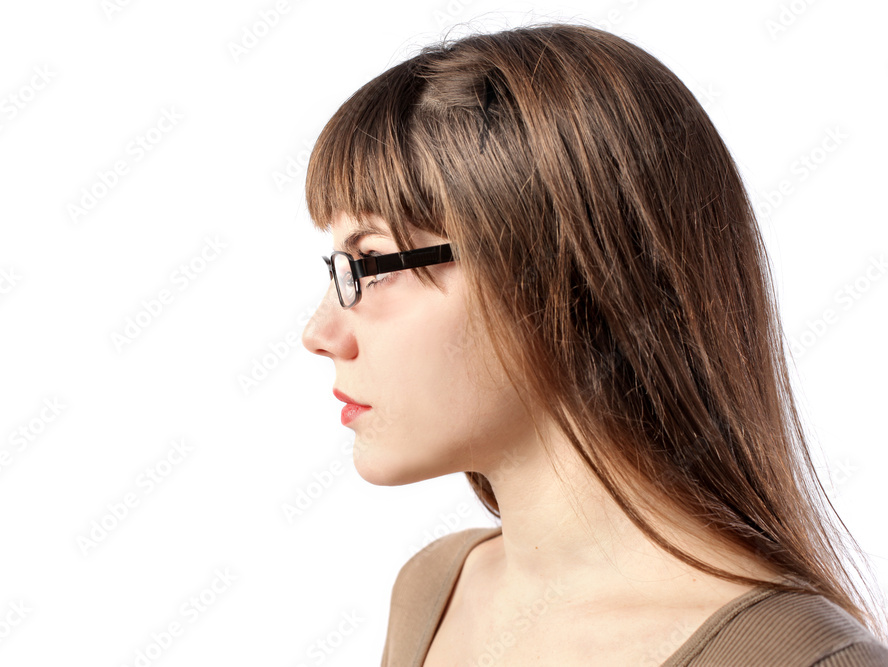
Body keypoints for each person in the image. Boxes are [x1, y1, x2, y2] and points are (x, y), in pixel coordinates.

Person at [300, 21, 888, 666]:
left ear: (560, 273)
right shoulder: (436, 590)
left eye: (371, 264)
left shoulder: (801, 658)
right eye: (338, 269)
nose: (319, 334)